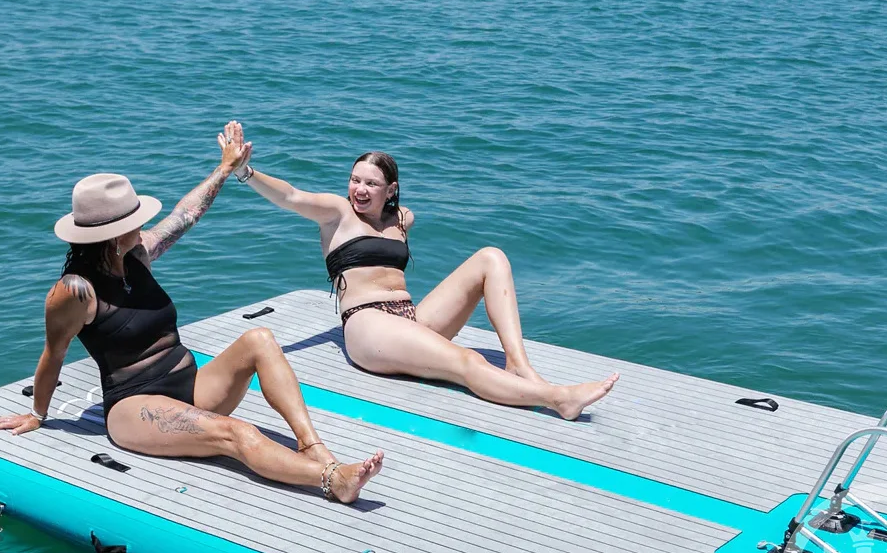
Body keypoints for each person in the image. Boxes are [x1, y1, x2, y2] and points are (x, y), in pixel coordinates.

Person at [0, 122, 383, 504]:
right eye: (133, 221)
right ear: (109, 235)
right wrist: (38, 413)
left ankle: (313, 447)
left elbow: (186, 214)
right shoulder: (74, 291)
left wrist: (225, 169)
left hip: (190, 386)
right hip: (135, 408)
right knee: (237, 433)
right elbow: (53, 354)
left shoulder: (135, 254)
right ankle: (333, 480)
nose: (142, 225)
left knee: (259, 340)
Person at [238, 144, 619, 419]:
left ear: (391, 190)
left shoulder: (402, 219)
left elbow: (401, 223)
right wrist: (245, 171)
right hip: (367, 326)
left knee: (491, 257)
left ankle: (518, 364)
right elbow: (290, 196)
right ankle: (557, 398)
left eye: (371, 183)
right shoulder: (337, 214)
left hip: (409, 318)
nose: (360, 190)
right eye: (355, 180)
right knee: (466, 360)